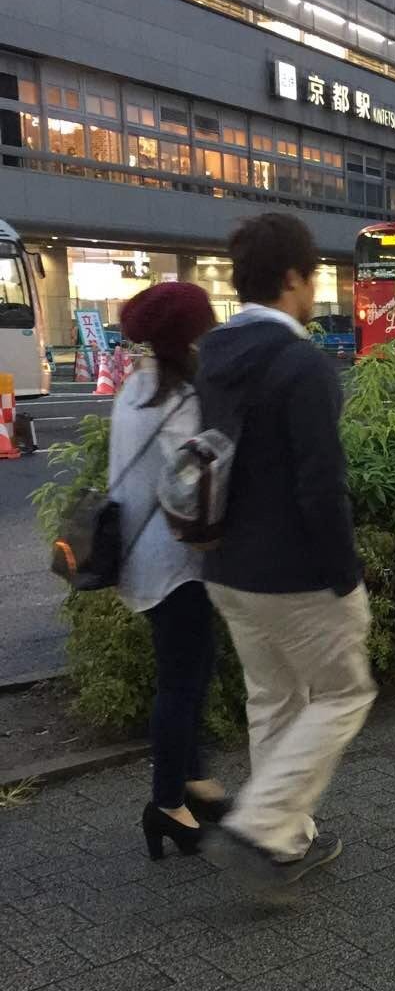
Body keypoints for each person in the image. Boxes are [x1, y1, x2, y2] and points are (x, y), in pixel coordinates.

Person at [197, 213, 375, 883]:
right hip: (295, 574)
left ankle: (286, 840)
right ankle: (258, 826)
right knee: (344, 693)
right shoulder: (302, 363)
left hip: (224, 564)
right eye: (313, 278)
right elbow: (321, 484)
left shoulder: (211, 356)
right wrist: (344, 576)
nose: (314, 291)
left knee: (274, 699)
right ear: (294, 278)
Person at [109, 282, 230, 859]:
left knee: (191, 669)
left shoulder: (136, 387)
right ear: (189, 338)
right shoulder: (179, 402)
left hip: (142, 558)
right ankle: (165, 803)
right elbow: (197, 485)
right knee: (182, 681)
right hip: (175, 565)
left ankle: (193, 779)